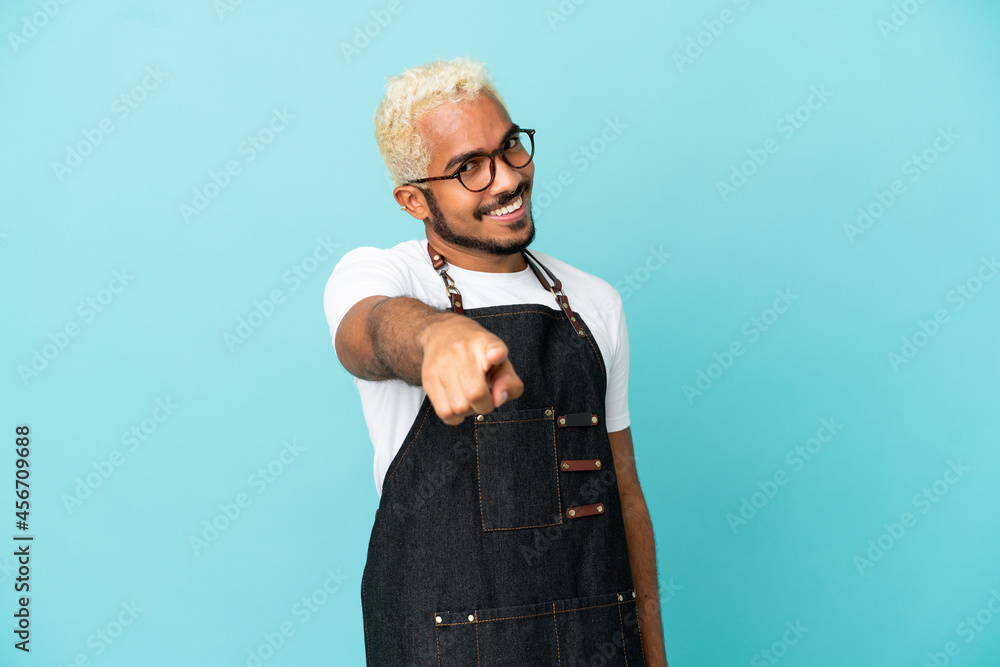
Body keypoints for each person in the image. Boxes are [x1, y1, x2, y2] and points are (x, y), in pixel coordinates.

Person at [324, 56, 668, 666]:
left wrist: (653, 655)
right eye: (468, 169)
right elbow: (368, 333)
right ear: (414, 200)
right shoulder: (386, 276)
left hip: (598, 639)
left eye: (510, 147)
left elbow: (626, 495)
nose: (507, 178)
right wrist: (436, 338)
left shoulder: (593, 301)